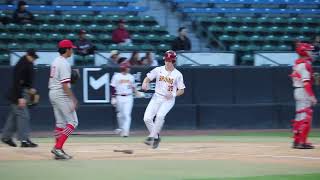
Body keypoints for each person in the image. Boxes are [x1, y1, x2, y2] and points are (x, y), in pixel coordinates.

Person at [141, 50, 185, 149]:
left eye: (170, 60)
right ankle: (156, 137)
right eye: (167, 60)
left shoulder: (178, 74)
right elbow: (147, 78)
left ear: (174, 61)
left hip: (168, 100)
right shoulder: (158, 70)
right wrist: (145, 83)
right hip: (157, 97)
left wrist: (173, 94)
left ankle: (151, 137)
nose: (168, 62)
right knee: (147, 118)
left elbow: (181, 90)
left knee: (160, 116)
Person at [1, 49, 39, 148]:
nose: (33, 59)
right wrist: (20, 97)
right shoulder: (23, 64)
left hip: (21, 93)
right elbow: (17, 82)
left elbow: (26, 81)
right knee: (24, 116)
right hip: (19, 94)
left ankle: (6, 137)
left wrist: (31, 90)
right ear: (27, 55)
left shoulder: (27, 63)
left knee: (14, 117)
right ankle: (24, 140)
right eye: (32, 57)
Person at [49, 39, 79, 160]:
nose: (72, 50)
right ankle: (58, 147)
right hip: (61, 94)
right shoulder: (64, 63)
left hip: (53, 92)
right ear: (67, 49)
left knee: (60, 123)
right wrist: (73, 99)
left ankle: (59, 150)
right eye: (71, 48)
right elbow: (65, 85)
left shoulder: (55, 61)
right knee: (73, 122)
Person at [290, 43, 317, 149]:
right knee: (306, 115)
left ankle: (297, 141)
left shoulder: (297, 64)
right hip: (303, 91)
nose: (311, 52)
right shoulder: (305, 64)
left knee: (299, 116)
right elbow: (306, 83)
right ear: (304, 51)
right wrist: (312, 96)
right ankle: (302, 142)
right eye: (309, 50)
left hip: (297, 90)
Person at [110, 61, 136, 137]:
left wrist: (137, 92)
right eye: (127, 67)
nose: (129, 68)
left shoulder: (131, 77)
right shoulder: (116, 76)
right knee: (120, 115)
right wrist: (113, 97)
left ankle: (126, 131)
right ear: (124, 68)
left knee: (126, 114)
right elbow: (112, 87)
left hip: (128, 97)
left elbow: (133, 88)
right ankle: (121, 128)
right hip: (119, 97)